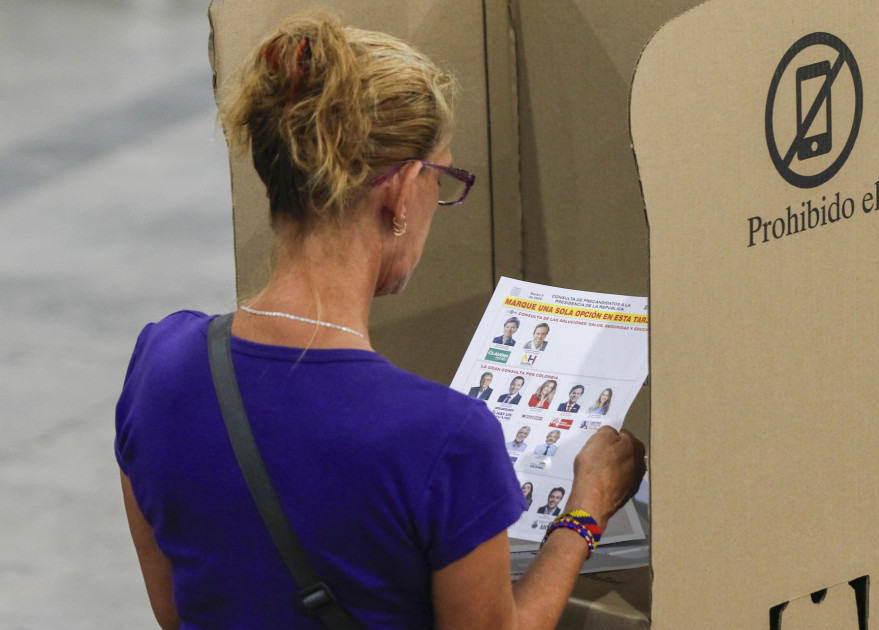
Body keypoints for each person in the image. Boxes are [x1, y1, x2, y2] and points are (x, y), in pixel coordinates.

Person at [116, 12, 645, 630]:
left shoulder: (160, 360)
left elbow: (173, 610)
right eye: (442, 178)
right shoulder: (444, 438)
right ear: (398, 193)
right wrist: (584, 513)